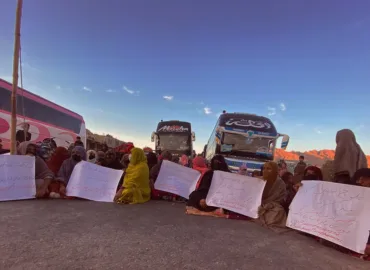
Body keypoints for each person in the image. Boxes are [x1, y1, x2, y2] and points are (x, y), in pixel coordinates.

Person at [256, 161, 287, 228]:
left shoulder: (280, 183)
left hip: (272, 206)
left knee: (279, 211)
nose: (265, 171)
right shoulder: (259, 180)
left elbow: (279, 199)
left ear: (274, 170)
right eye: (264, 168)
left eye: (268, 169)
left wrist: (268, 205)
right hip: (257, 204)